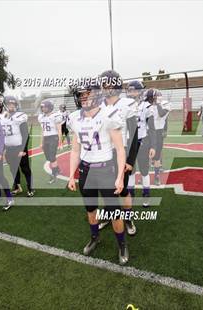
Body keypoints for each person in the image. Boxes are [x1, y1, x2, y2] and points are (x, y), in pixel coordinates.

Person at [68, 79, 129, 265]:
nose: (83, 98)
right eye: (81, 95)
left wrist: (119, 177)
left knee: (114, 212)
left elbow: (120, 149)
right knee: (91, 209)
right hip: (86, 171)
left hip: (106, 170)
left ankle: (122, 244)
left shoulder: (108, 114)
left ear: (96, 95)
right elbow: (75, 149)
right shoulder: (74, 117)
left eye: (87, 94)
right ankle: (95, 237)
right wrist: (71, 174)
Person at [99, 70, 139, 236]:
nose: (105, 88)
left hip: (121, 153)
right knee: (106, 188)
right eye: (103, 84)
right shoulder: (99, 105)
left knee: (122, 189)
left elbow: (134, 134)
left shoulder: (128, 104)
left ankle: (128, 217)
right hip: (104, 153)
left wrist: (130, 160)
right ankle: (110, 214)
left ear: (116, 85)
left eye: (108, 84)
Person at [126, 80, 156, 210]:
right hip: (128, 141)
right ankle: (130, 195)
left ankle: (146, 195)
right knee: (130, 171)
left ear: (139, 92)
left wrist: (153, 145)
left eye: (133, 90)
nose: (131, 93)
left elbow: (152, 127)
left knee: (144, 170)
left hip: (142, 141)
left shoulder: (146, 106)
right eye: (130, 90)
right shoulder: (124, 105)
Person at [0, 96, 34, 197]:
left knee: (25, 169)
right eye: (9, 104)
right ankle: (17, 187)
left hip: (19, 147)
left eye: (13, 104)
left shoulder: (20, 116)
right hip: (9, 148)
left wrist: (22, 149)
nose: (11, 106)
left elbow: (25, 135)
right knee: (13, 169)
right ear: (5, 105)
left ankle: (30, 187)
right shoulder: (2, 117)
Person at [147, 88, 170, 186]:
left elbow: (162, 114)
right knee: (147, 156)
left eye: (156, 97)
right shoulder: (148, 105)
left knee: (157, 156)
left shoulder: (165, 104)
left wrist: (158, 104)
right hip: (149, 132)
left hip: (158, 132)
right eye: (153, 97)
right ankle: (145, 176)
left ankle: (156, 177)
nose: (154, 98)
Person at [38, 99, 63, 184]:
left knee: (52, 157)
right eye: (42, 107)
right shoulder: (41, 117)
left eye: (45, 107)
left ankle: (54, 174)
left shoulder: (56, 116)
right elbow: (42, 131)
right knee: (49, 157)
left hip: (53, 138)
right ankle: (57, 169)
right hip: (46, 138)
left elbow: (59, 130)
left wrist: (60, 143)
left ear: (50, 107)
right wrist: (41, 142)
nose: (43, 109)